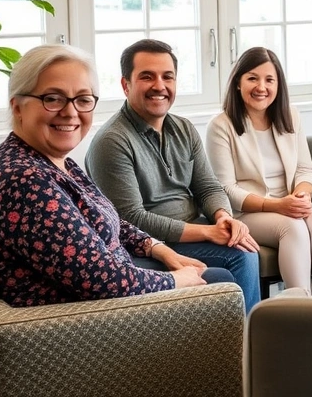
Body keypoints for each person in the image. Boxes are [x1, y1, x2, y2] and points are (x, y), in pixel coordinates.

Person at [0, 45, 232, 307]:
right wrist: (176, 279)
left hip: (100, 290)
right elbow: (102, 279)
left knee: (218, 269)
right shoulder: (23, 180)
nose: (70, 112)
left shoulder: (54, 163)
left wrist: (157, 248)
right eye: (52, 98)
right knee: (219, 280)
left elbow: (108, 219)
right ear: (17, 107)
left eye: (83, 99)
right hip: (83, 320)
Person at [86, 39, 260, 313]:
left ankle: (245, 340)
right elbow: (131, 218)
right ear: (125, 85)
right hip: (148, 246)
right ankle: (246, 343)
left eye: (168, 77)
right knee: (241, 257)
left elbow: (208, 187)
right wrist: (207, 232)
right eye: (147, 76)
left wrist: (223, 217)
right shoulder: (112, 141)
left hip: (192, 229)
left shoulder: (184, 128)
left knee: (243, 247)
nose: (159, 85)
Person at [206, 47, 312, 291]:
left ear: (278, 85)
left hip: (288, 203)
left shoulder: (290, 115)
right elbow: (226, 190)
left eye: (269, 80)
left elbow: (304, 169)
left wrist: (301, 195)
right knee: (292, 226)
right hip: (245, 213)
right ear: (238, 82)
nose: (261, 87)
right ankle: (300, 309)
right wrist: (278, 206)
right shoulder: (220, 126)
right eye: (252, 78)